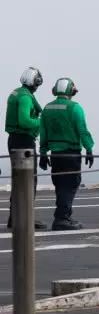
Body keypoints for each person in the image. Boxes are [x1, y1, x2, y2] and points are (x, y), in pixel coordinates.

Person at [39, 77, 95, 231]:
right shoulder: (75, 108)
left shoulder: (47, 109)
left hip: (55, 155)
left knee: (60, 186)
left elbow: (43, 133)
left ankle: (65, 215)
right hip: (71, 154)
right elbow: (82, 130)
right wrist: (89, 149)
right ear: (71, 91)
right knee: (69, 186)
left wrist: (43, 153)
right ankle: (62, 218)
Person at [5, 67, 47, 230]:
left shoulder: (17, 93)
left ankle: (15, 217)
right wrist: (42, 122)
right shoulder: (25, 98)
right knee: (28, 180)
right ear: (35, 82)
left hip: (15, 140)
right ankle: (23, 217)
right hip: (23, 141)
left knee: (20, 180)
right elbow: (24, 121)